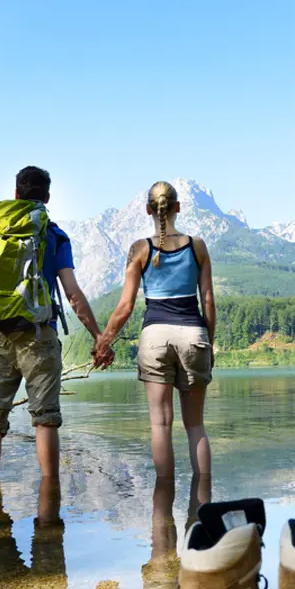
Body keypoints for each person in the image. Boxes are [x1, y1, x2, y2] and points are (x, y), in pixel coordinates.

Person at [0, 166, 112, 526]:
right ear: (47, 198)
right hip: (39, 336)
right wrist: (98, 335)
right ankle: (50, 506)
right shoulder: (54, 235)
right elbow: (72, 293)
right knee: (45, 419)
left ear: (16, 194)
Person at [94, 180, 215, 484]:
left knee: (160, 426)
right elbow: (208, 301)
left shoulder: (140, 249)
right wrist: (208, 345)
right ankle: (203, 501)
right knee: (195, 426)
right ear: (178, 207)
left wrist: (103, 343)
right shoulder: (196, 245)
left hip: (155, 338)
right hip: (193, 335)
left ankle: (162, 510)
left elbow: (125, 307)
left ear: (149, 209)